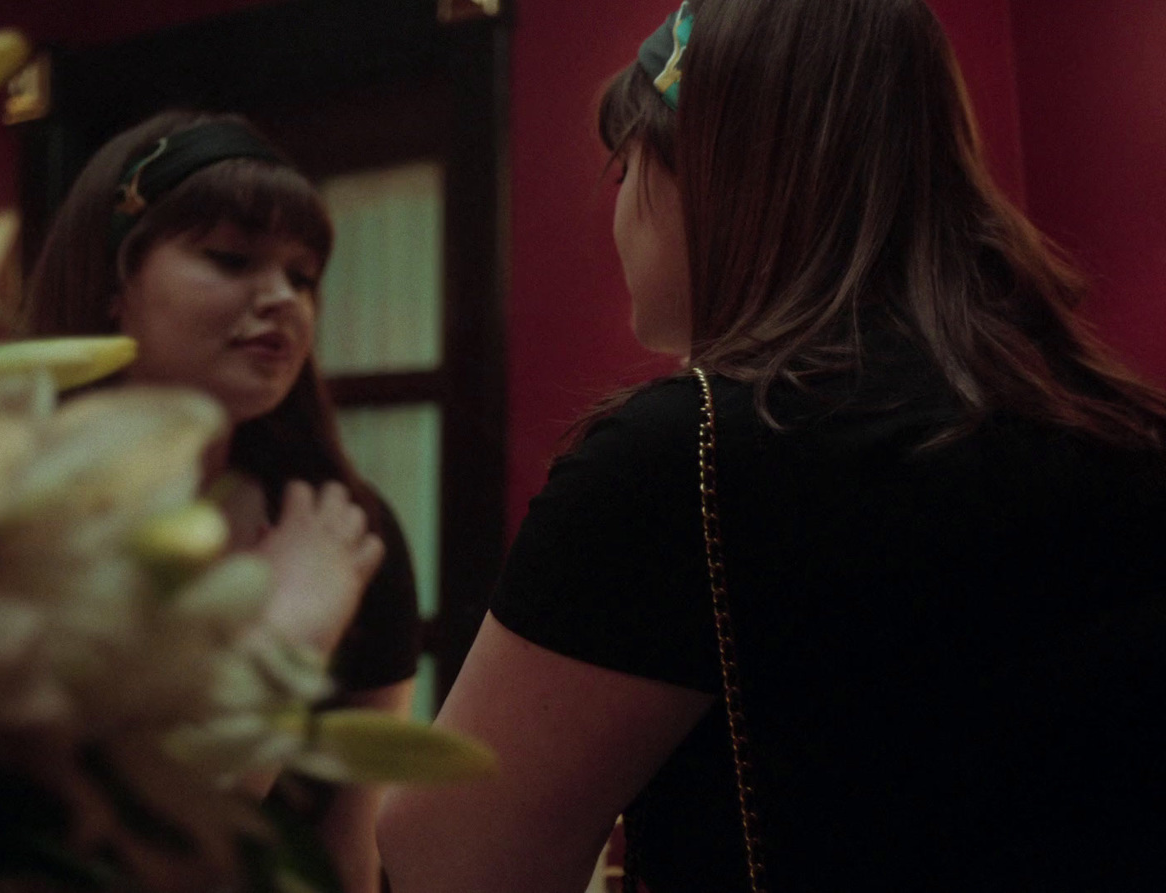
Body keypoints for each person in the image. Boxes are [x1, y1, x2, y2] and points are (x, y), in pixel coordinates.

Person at [377, 1, 1166, 891]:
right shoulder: (1122, 429)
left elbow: (444, 855)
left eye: (624, 165)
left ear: (708, 177)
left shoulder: (684, 458)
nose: (619, 212)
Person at [22, 110, 421, 893]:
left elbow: (349, 853)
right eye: (231, 258)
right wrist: (288, 635)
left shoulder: (346, 528)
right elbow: (125, 854)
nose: (281, 298)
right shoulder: (19, 524)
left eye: (303, 275)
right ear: (111, 286)